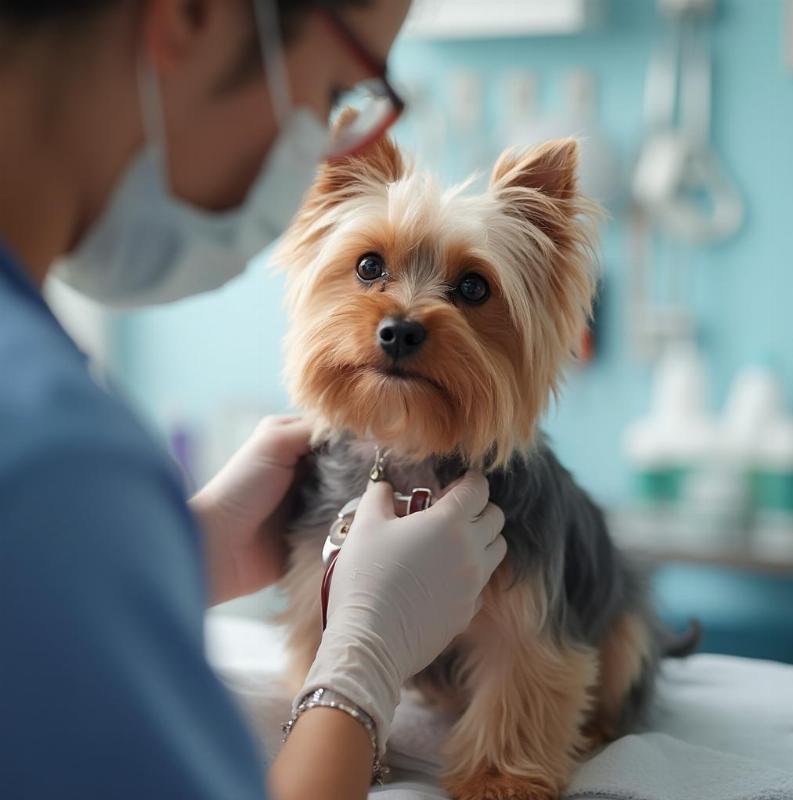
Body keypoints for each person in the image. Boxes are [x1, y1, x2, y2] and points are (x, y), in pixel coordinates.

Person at [0, 2, 508, 799]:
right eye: (340, 87)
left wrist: (184, 552)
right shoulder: (54, 461)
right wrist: (359, 669)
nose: (341, 147)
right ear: (190, 17)